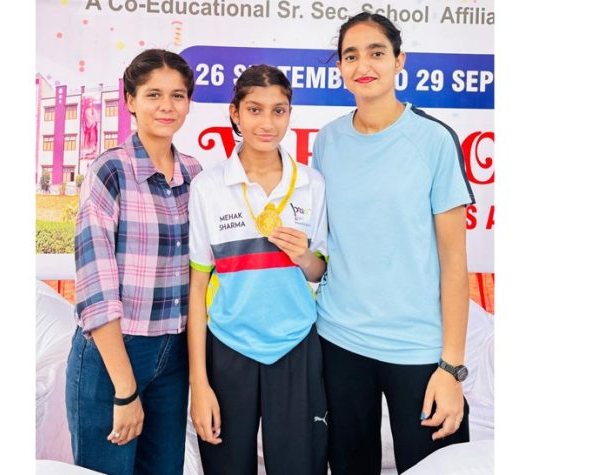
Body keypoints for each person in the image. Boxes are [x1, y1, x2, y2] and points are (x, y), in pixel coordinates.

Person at [311, 12, 476, 474]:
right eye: (351, 55)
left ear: (399, 60)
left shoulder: (434, 140)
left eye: (377, 52)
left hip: (419, 351)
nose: (364, 64)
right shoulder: (327, 142)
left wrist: (452, 369)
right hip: (340, 341)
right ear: (340, 68)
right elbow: (329, 245)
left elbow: (455, 263)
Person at [187, 64, 329, 475]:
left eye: (279, 111)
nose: (267, 123)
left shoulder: (312, 184)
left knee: (300, 466)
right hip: (228, 346)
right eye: (254, 110)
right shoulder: (209, 187)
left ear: (289, 114)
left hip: (296, 344)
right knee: (227, 466)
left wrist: (304, 257)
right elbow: (198, 288)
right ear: (234, 112)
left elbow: (319, 272)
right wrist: (200, 382)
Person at [66, 49, 202, 475]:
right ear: (130, 100)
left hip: (174, 354)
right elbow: (96, 287)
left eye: (178, 96)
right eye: (153, 94)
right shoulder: (110, 171)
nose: (167, 106)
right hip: (114, 355)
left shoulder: (196, 174)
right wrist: (124, 390)